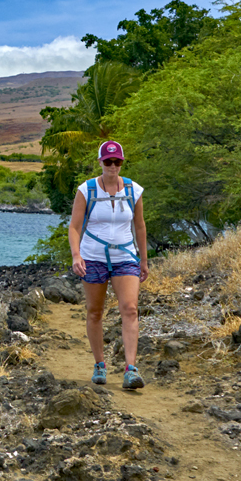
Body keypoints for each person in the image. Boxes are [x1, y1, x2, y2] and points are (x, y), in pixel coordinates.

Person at [68, 140, 148, 389]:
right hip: (93, 256)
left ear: (122, 162)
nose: (113, 166)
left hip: (125, 256)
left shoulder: (134, 190)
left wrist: (144, 260)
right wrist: (76, 255)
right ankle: (99, 365)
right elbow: (74, 226)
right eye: (108, 161)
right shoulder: (87, 190)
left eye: (117, 161)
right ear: (101, 162)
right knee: (95, 311)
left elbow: (140, 226)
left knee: (130, 308)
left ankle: (131, 370)